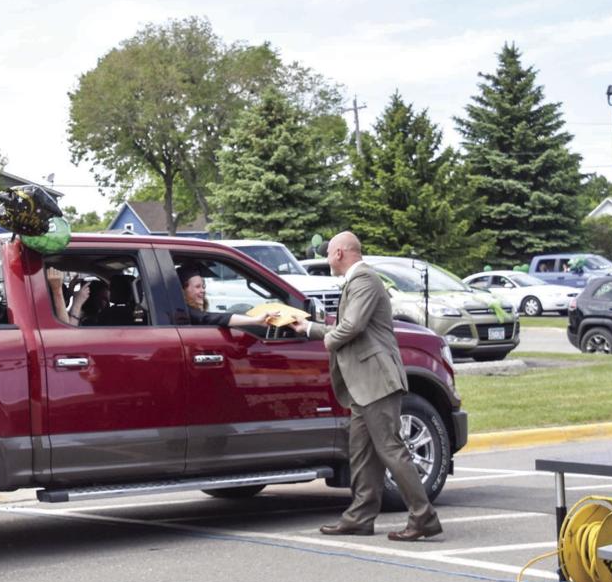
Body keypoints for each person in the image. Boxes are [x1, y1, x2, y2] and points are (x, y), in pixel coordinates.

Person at [288, 231, 442, 542]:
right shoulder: (357, 282)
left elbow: (352, 326)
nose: (327, 259)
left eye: (329, 253)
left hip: (376, 381)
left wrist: (327, 340)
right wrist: (307, 328)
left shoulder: (365, 280)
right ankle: (360, 517)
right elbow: (348, 326)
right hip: (363, 384)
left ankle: (423, 517)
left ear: (340, 253)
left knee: (390, 449)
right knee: (361, 452)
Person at [177, 265, 277, 329]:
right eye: (197, 287)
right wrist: (255, 320)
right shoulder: (184, 312)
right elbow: (212, 318)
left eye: (203, 286)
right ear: (183, 290)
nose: (203, 290)